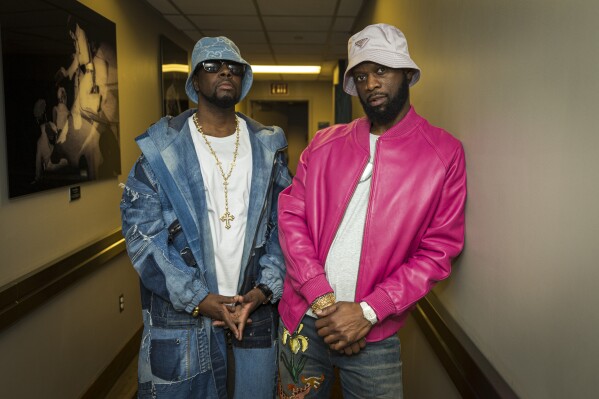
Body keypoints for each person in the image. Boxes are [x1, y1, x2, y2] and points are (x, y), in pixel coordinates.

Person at [277, 23, 467, 398]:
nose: (370, 84)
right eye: (361, 76)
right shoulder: (324, 144)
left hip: (375, 338)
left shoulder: (443, 154)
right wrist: (322, 298)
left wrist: (366, 312)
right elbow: (291, 216)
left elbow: (438, 251)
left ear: (406, 74)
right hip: (302, 324)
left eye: (381, 70)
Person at [120, 36, 291, 398]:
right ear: (194, 81)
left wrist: (262, 292)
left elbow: (285, 227)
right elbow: (142, 237)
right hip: (183, 322)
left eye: (234, 66)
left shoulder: (269, 147)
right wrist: (201, 298)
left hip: (254, 313)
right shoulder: (160, 151)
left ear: (244, 79)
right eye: (211, 66)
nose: (225, 71)